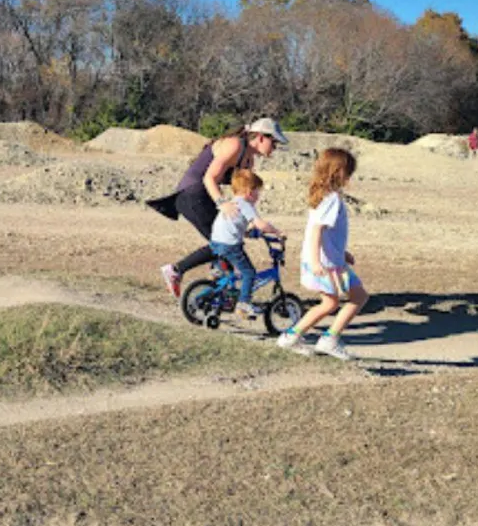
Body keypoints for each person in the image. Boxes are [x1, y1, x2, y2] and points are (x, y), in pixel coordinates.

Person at [148, 117, 288, 298]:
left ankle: (218, 294)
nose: (275, 148)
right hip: (192, 194)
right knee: (223, 245)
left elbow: (242, 194)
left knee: (228, 244)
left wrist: (249, 220)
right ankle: (176, 270)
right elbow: (209, 178)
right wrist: (222, 203)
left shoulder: (248, 161)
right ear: (261, 137)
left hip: (201, 196)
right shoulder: (234, 146)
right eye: (274, 142)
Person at [275, 147, 369, 361]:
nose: (350, 177)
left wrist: (343, 253)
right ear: (339, 172)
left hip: (333, 260)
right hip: (326, 264)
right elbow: (317, 231)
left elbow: (327, 233)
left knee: (348, 299)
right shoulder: (332, 199)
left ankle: (297, 337)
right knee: (340, 301)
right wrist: (317, 262)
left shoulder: (324, 196)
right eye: (349, 172)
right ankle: (319, 338)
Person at [208, 169, 285, 320]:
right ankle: (243, 304)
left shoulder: (232, 203)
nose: (258, 195)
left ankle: (220, 282)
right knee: (249, 273)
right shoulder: (245, 204)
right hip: (229, 245)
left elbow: (238, 225)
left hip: (216, 242)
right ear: (249, 192)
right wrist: (277, 232)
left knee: (233, 273)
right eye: (257, 191)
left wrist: (251, 233)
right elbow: (260, 224)